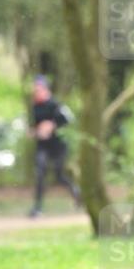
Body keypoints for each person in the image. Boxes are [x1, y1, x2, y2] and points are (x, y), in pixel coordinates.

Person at [29, 75, 81, 217]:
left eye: (39, 89)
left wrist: (52, 126)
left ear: (46, 90)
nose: (36, 92)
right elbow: (35, 126)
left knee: (59, 175)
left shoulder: (55, 104)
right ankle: (37, 208)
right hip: (43, 146)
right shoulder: (35, 107)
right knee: (40, 173)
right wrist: (35, 131)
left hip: (58, 145)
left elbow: (69, 120)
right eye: (35, 89)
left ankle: (77, 194)